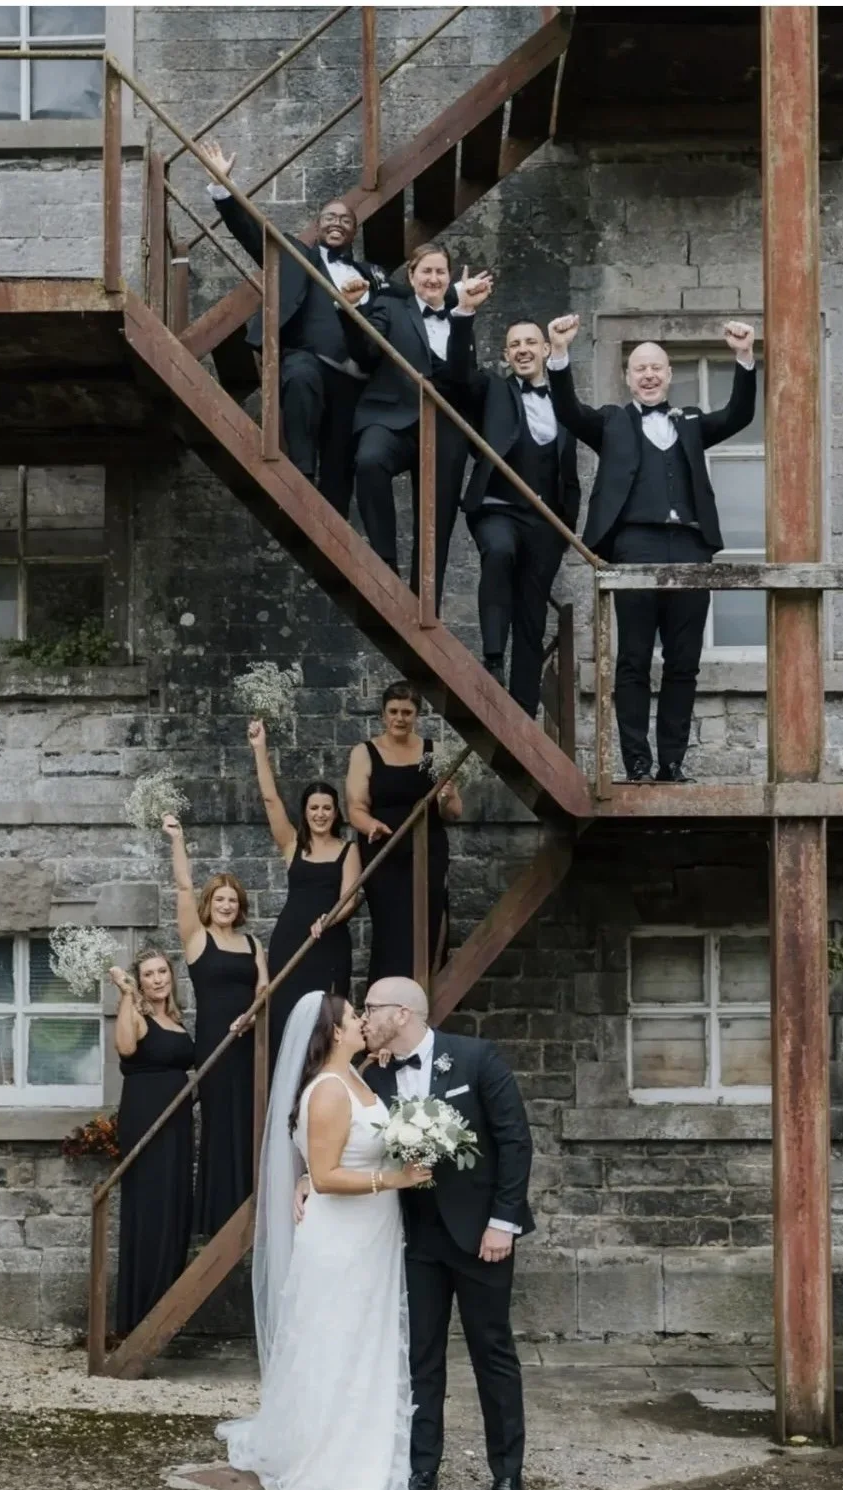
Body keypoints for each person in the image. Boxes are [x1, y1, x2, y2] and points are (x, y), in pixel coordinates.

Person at [294, 976, 534, 1490]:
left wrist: (503, 1222)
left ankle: (507, 1477)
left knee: (491, 1353)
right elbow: (338, 1138)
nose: (364, 1017)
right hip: (413, 1239)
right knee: (420, 1358)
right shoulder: (369, 1075)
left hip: (480, 1237)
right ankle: (422, 1471)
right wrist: (308, 1177)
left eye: (371, 1008)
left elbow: (515, 1142)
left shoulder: (475, 1057)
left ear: (401, 1014)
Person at [217, 990, 431, 1490]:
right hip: (341, 1240)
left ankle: (369, 1447)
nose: (363, 1020)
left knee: (367, 1341)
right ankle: (332, 1464)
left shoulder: (357, 1077)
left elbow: (325, 1167)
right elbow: (330, 1176)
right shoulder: (330, 1090)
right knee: (338, 1341)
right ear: (334, 1031)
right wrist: (396, 1178)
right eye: (355, 1015)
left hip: (371, 1237)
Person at [547, 314, 757, 783]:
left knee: (684, 663)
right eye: (639, 367)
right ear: (627, 376)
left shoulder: (691, 423)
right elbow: (570, 412)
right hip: (634, 545)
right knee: (634, 660)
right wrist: (558, 354)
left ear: (669, 375)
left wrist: (744, 357)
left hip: (689, 547)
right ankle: (637, 763)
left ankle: (673, 762)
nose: (648, 374)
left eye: (656, 367)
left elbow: (738, 415)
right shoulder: (612, 422)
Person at [202, 140, 390, 518]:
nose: (336, 223)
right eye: (329, 218)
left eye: (345, 220)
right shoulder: (294, 255)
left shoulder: (371, 274)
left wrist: (455, 297)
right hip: (309, 360)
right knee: (300, 377)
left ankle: (333, 526)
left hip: (353, 379)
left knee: (340, 464)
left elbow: (413, 295)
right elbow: (251, 232)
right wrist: (224, 189)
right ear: (318, 227)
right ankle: (301, 471)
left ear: (354, 231)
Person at [338, 245, 493, 613]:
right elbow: (366, 352)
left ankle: (423, 606)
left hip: (443, 427)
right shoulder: (391, 308)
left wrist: (466, 313)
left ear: (450, 278)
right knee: (370, 462)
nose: (433, 279)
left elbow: (460, 378)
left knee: (437, 519)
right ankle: (385, 563)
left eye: (441, 272)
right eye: (426, 271)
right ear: (411, 276)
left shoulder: (460, 319)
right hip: (390, 416)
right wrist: (351, 309)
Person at [451, 317, 581, 717]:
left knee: (533, 611)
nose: (522, 349)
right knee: (500, 552)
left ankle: (524, 705)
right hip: (497, 507)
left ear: (544, 349)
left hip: (547, 520)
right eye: (514, 344)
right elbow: (458, 375)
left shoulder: (565, 400)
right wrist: (464, 315)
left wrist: (567, 528)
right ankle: (493, 658)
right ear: (506, 355)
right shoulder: (493, 389)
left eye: (530, 341)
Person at [163, 813, 268, 1237]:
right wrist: (178, 839)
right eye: (220, 899)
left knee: (250, 1117)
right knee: (220, 1121)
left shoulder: (252, 942)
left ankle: (250, 1200)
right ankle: (217, 1216)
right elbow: (184, 886)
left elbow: (264, 987)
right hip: (214, 1041)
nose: (227, 906)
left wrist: (255, 1012)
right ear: (210, 903)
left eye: (233, 901)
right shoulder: (196, 937)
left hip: (250, 1041)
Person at [248, 718, 361, 1067]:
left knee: (325, 1018)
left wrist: (328, 921)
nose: (320, 814)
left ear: (336, 811)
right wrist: (259, 748)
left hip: (328, 941)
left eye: (327, 807)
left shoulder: (348, 849)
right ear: (305, 812)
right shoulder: (292, 844)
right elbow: (270, 799)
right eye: (314, 808)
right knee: (286, 1015)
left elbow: (351, 898)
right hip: (290, 938)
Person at [345, 681, 461, 986]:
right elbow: (355, 808)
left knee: (429, 924)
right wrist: (371, 826)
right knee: (390, 928)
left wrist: (447, 797)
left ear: (417, 715)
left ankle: (424, 997)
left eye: (407, 712)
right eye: (394, 711)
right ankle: (385, 1000)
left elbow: (454, 812)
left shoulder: (434, 751)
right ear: (383, 714)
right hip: (384, 851)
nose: (400, 718)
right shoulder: (364, 752)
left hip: (428, 852)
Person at [109, 946, 194, 1336]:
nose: (158, 979)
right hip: (146, 1118)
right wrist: (127, 995)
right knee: (149, 1207)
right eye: (149, 974)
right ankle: (138, 1314)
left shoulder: (175, 1020)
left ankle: (163, 1307)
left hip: (177, 1124)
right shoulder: (138, 1015)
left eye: (163, 972)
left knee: (174, 1207)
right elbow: (126, 1048)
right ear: (139, 981)